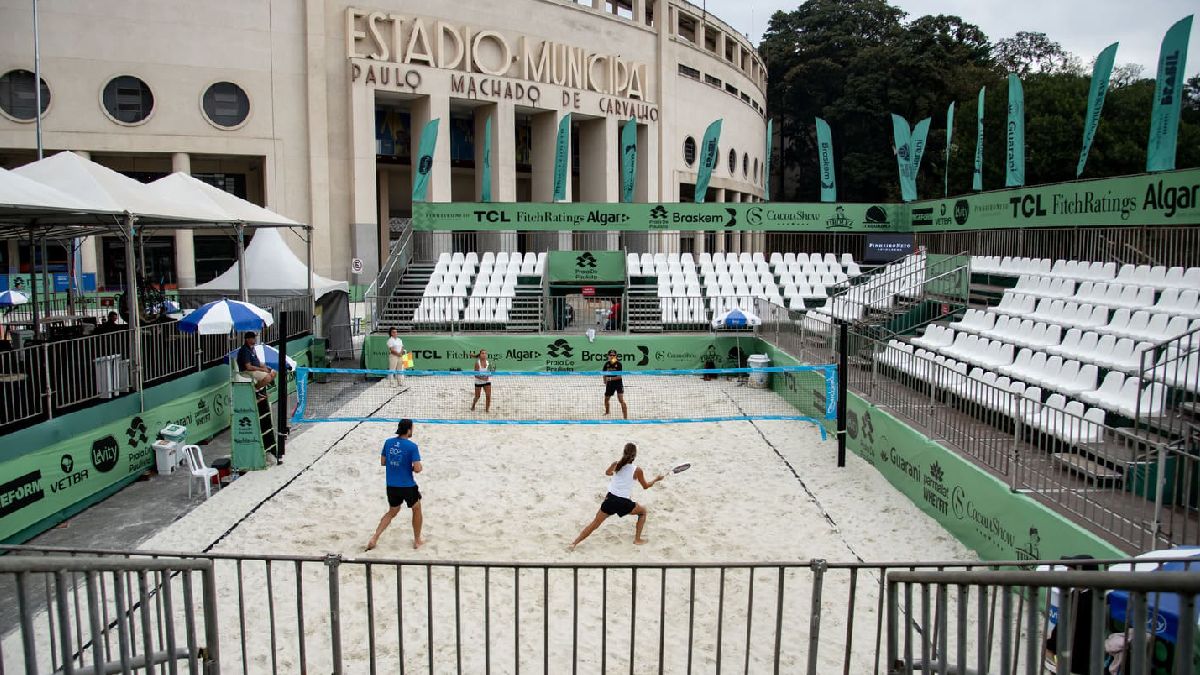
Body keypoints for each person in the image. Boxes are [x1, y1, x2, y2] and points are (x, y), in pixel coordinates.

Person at [569, 443, 663, 550]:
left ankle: (574, 543)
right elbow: (645, 486)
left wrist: (614, 472)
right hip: (623, 502)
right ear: (635, 456)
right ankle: (637, 540)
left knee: (594, 524)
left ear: (623, 452)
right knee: (643, 512)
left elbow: (607, 473)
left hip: (609, 499)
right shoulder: (637, 470)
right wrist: (656, 479)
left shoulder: (616, 464)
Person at [366, 418, 425, 550]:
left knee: (392, 512)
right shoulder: (412, 446)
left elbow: (383, 461)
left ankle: (375, 537)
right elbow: (418, 468)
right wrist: (407, 466)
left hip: (391, 486)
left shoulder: (388, 442)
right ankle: (417, 540)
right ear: (409, 430)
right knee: (416, 509)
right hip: (407, 486)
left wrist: (398, 464)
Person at [236, 331, 276, 397]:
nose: (255, 339)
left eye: (255, 337)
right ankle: (255, 390)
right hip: (246, 371)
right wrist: (262, 370)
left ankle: (260, 390)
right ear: (247, 339)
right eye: (253, 338)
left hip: (255, 369)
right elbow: (248, 367)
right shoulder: (245, 350)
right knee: (268, 377)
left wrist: (267, 367)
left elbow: (257, 362)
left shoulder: (252, 348)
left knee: (273, 372)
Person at [602, 349, 628, 419]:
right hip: (610, 385)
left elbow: (619, 376)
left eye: (614, 355)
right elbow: (604, 373)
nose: (612, 356)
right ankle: (607, 412)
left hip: (618, 384)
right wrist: (604, 380)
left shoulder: (618, 364)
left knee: (621, 400)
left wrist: (609, 379)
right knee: (606, 399)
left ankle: (625, 418)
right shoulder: (606, 364)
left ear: (616, 356)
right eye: (611, 355)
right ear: (608, 356)